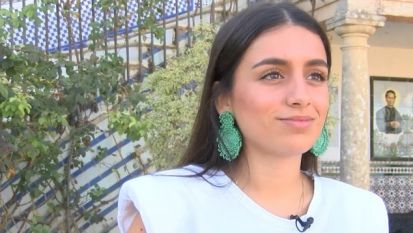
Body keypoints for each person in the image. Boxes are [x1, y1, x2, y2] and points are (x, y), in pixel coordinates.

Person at [117, 2, 388, 233]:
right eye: (272, 74)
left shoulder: (362, 213)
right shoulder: (165, 209)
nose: (301, 96)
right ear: (224, 99)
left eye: (315, 76)